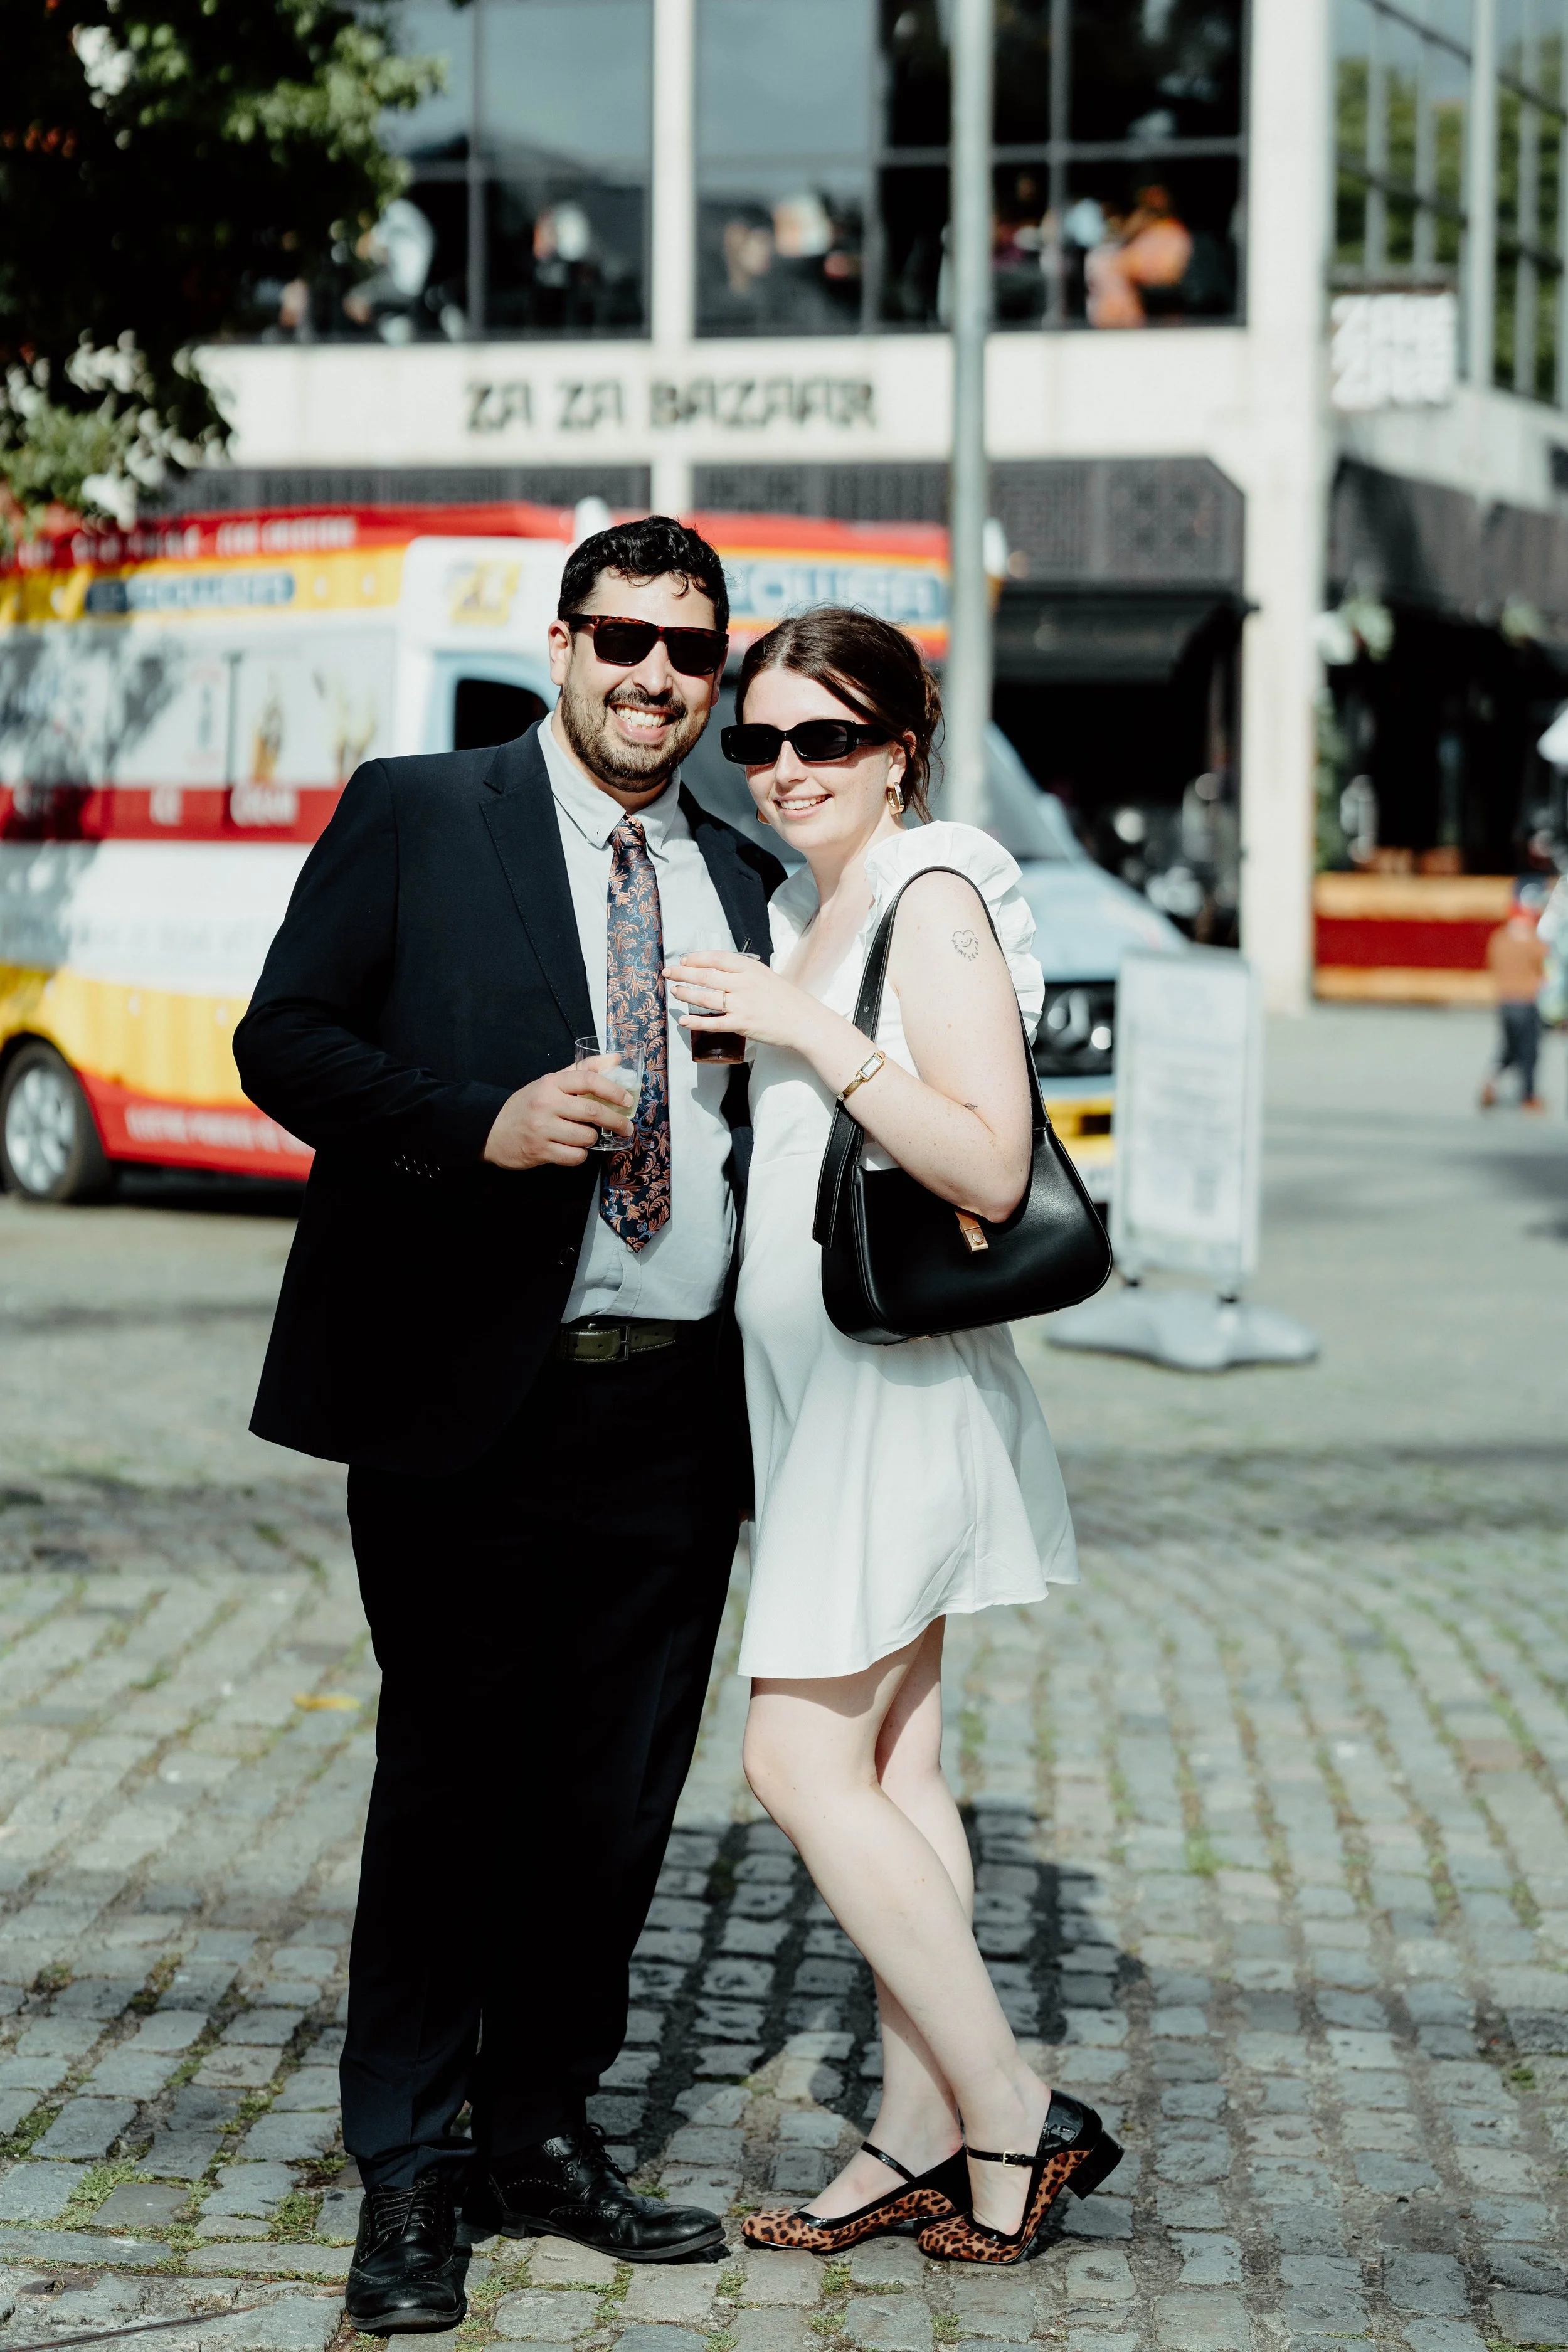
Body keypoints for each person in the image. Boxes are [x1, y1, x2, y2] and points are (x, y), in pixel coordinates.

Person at [233, 516, 784, 2331]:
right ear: (559, 642)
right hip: (473, 1397)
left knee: (613, 1798)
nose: (653, 677)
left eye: (688, 652)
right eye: (623, 637)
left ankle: (542, 2127)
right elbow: (285, 1041)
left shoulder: (739, 874)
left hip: (676, 1414)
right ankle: (409, 2166)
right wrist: (470, 1121)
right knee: (455, 1784)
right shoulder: (420, 810)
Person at [665, 610, 1120, 2267]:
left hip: (889, 1393)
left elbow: (992, 1165)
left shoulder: (931, 893)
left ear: (900, 745)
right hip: (816, 1398)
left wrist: (808, 1034)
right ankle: (917, 2126)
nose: (786, 770)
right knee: (895, 1763)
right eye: (759, 742)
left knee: (793, 1758)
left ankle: (1008, 2109)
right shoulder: (810, 899)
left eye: (825, 738)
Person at [1480, 883, 1548, 1113]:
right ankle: (1528, 1096)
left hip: (1505, 1001)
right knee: (1529, 1051)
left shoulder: (1499, 938)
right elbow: (1546, 969)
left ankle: (1491, 1081)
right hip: (1527, 1002)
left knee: (1508, 1049)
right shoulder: (1534, 942)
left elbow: (1493, 963)